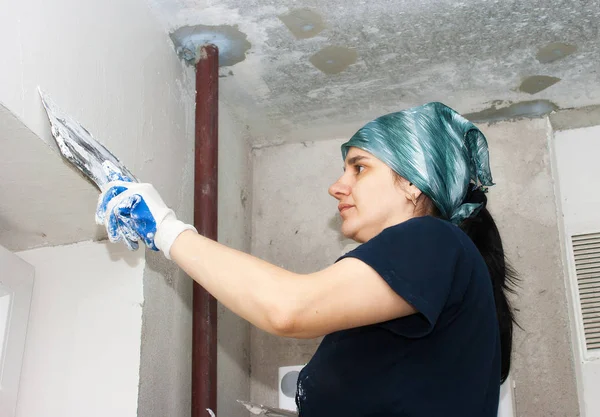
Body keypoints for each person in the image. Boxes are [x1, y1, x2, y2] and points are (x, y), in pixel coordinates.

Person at [96, 102, 517, 416]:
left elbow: (287, 309)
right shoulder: (435, 264)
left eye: (359, 168)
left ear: (411, 183)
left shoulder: (431, 239)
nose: (337, 186)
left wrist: (165, 229)